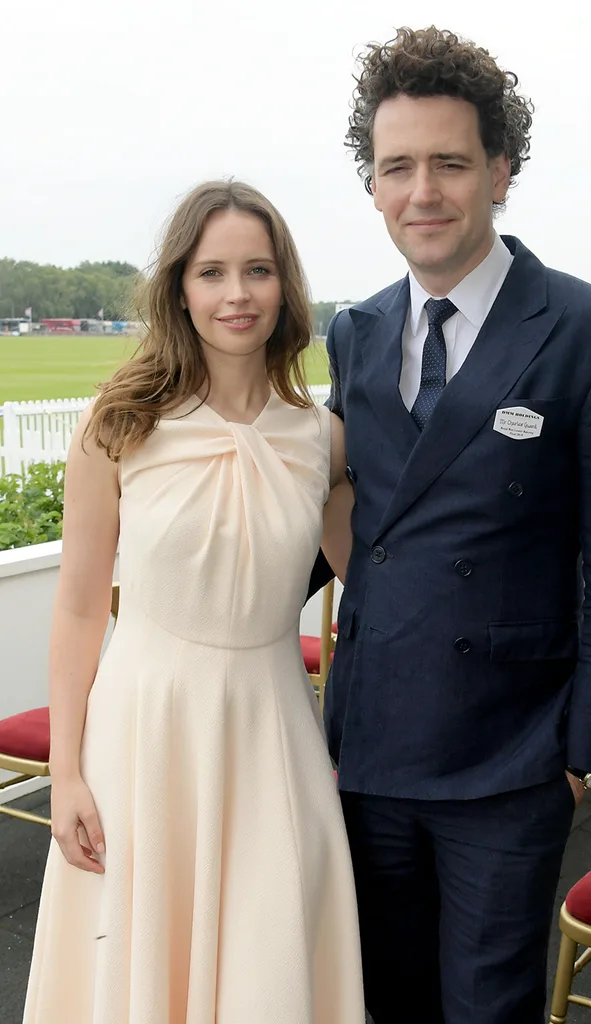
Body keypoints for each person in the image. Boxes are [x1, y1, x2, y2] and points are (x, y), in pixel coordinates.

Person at [310, 26, 591, 1024]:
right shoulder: (357, 328)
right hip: (371, 738)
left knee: (485, 1004)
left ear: (501, 171)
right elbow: (347, 516)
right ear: (374, 186)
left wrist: (583, 751)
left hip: (510, 756)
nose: (423, 191)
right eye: (398, 167)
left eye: (450, 163)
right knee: (383, 991)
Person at [23, 180, 365, 1024]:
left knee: (268, 965)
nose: (236, 294)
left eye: (256, 269)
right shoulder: (120, 419)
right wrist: (65, 774)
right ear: (180, 286)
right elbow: (75, 609)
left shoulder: (321, 437)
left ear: (285, 284)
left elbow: (382, 579)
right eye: (211, 272)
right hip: (143, 731)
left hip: (270, 732)